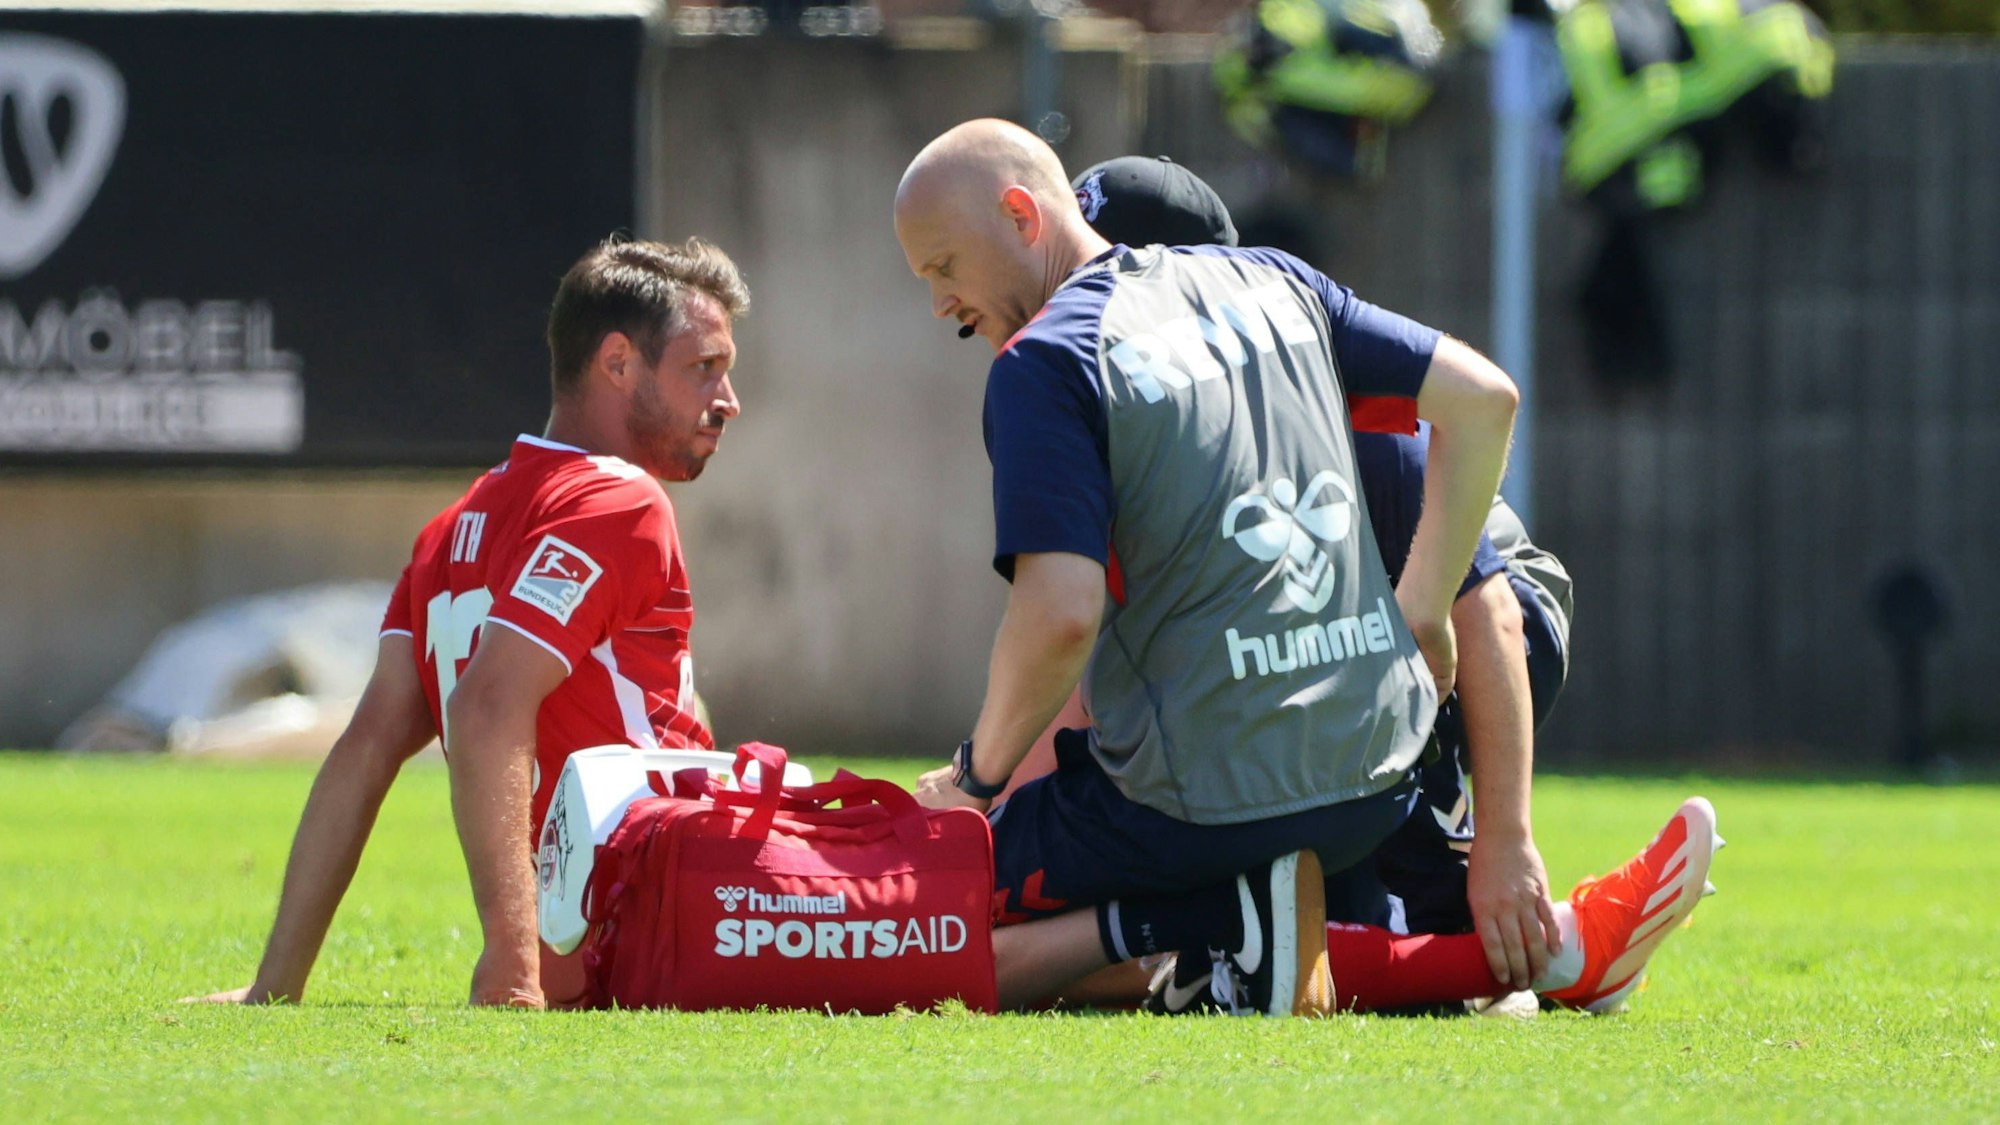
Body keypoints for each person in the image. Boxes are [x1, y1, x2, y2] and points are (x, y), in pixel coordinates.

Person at [894, 118, 1522, 1016]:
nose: (938, 304)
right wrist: (1420, 607)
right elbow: (1487, 398)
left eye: (943, 267)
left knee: (925, 912)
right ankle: (1290, 937)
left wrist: (974, 782)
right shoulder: (1278, 280)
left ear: (1022, 216)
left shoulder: (1045, 358)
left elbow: (1061, 614)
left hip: (1193, 808)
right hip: (1374, 782)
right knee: (1308, 913)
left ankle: (1208, 920)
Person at [187, 235, 749, 1009]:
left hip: (593, 953)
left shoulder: (450, 530)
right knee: (909, 892)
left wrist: (274, 985)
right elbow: (487, 708)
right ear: (618, 363)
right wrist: (512, 966)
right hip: (669, 935)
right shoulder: (620, 499)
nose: (728, 398)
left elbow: (364, 751)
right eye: (704, 367)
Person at [1077, 154, 1572, 1000]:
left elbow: (1483, 609)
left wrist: (1506, 840)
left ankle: (1486, 927)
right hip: (1335, 665)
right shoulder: (1123, 424)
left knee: (1355, 676)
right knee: (1278, 892)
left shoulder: (1318, 410)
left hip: (1479, 626)